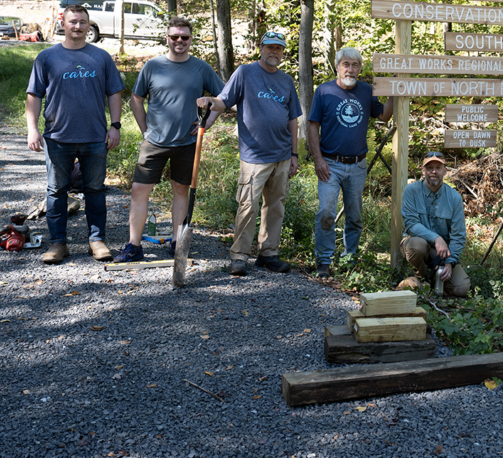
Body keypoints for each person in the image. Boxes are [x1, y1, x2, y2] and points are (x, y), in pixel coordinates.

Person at [113, 18, 225, 263]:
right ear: (167, 38)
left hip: (186, 143)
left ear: (190, 39)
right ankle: (134, 246)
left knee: (180, 190)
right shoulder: (153, 66)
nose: (179, 41)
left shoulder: (201, 68)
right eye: (175, 36)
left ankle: (177, 243)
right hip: (154, 142)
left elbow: (223, 98)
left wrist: (208, 122)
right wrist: (145, 129)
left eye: (184, 37)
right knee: (139, 190)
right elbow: (136, 98)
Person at [25, 4, 124, 265]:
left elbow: (114, 92)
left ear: (89, 25)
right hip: (57, 137)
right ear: (63, 24)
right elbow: (34, 95)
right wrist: (32, 129)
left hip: (94, 137)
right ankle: (58, 243)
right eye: (73, 22)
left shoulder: (101, 57)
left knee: (95, 189)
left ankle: (97, 240)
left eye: (82, 22)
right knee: (56, 191)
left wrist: (115, 125)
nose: (78, 26)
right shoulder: (47, 57)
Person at [197, 30, 301, 276]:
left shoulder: (286, 81)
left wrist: (295, 154)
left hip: (282, 155)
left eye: (279, 48)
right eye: (270, 47)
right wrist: (211, 103)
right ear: (261, 48)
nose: (274, 51)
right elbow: (224, 101)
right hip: (254, 156)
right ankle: (239, 256)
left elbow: (293, 119)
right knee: (247, 205)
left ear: (283, 52)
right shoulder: (245, 72)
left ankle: (268, 254)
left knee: (275, 206)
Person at [307, 47, 393, 277]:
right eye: (346, 64)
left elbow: (383, 115)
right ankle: (324, 260)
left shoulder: (366, 91)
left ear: (360, 69)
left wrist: (394, 91)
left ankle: (350, 258)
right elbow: (312, 126)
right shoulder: (324, 91)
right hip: (330, 164)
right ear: (337, 66)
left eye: (355, 65)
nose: (350, 69)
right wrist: (318, 160)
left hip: (357, 166)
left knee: (354, 215)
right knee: (326, 212)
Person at [398, 152, 471, 297]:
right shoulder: (411, 191)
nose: (433, 171)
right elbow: (411, 224)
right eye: (429, 167)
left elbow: (458, 235)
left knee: (462, 288)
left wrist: (450, 262)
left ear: (445, 171)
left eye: (438, 167)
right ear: (423, 170)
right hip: (414, 243)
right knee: (418, 245)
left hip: (443, 253)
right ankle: (420, 278)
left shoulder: (454, 197)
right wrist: (437, 238)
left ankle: (432, 280)